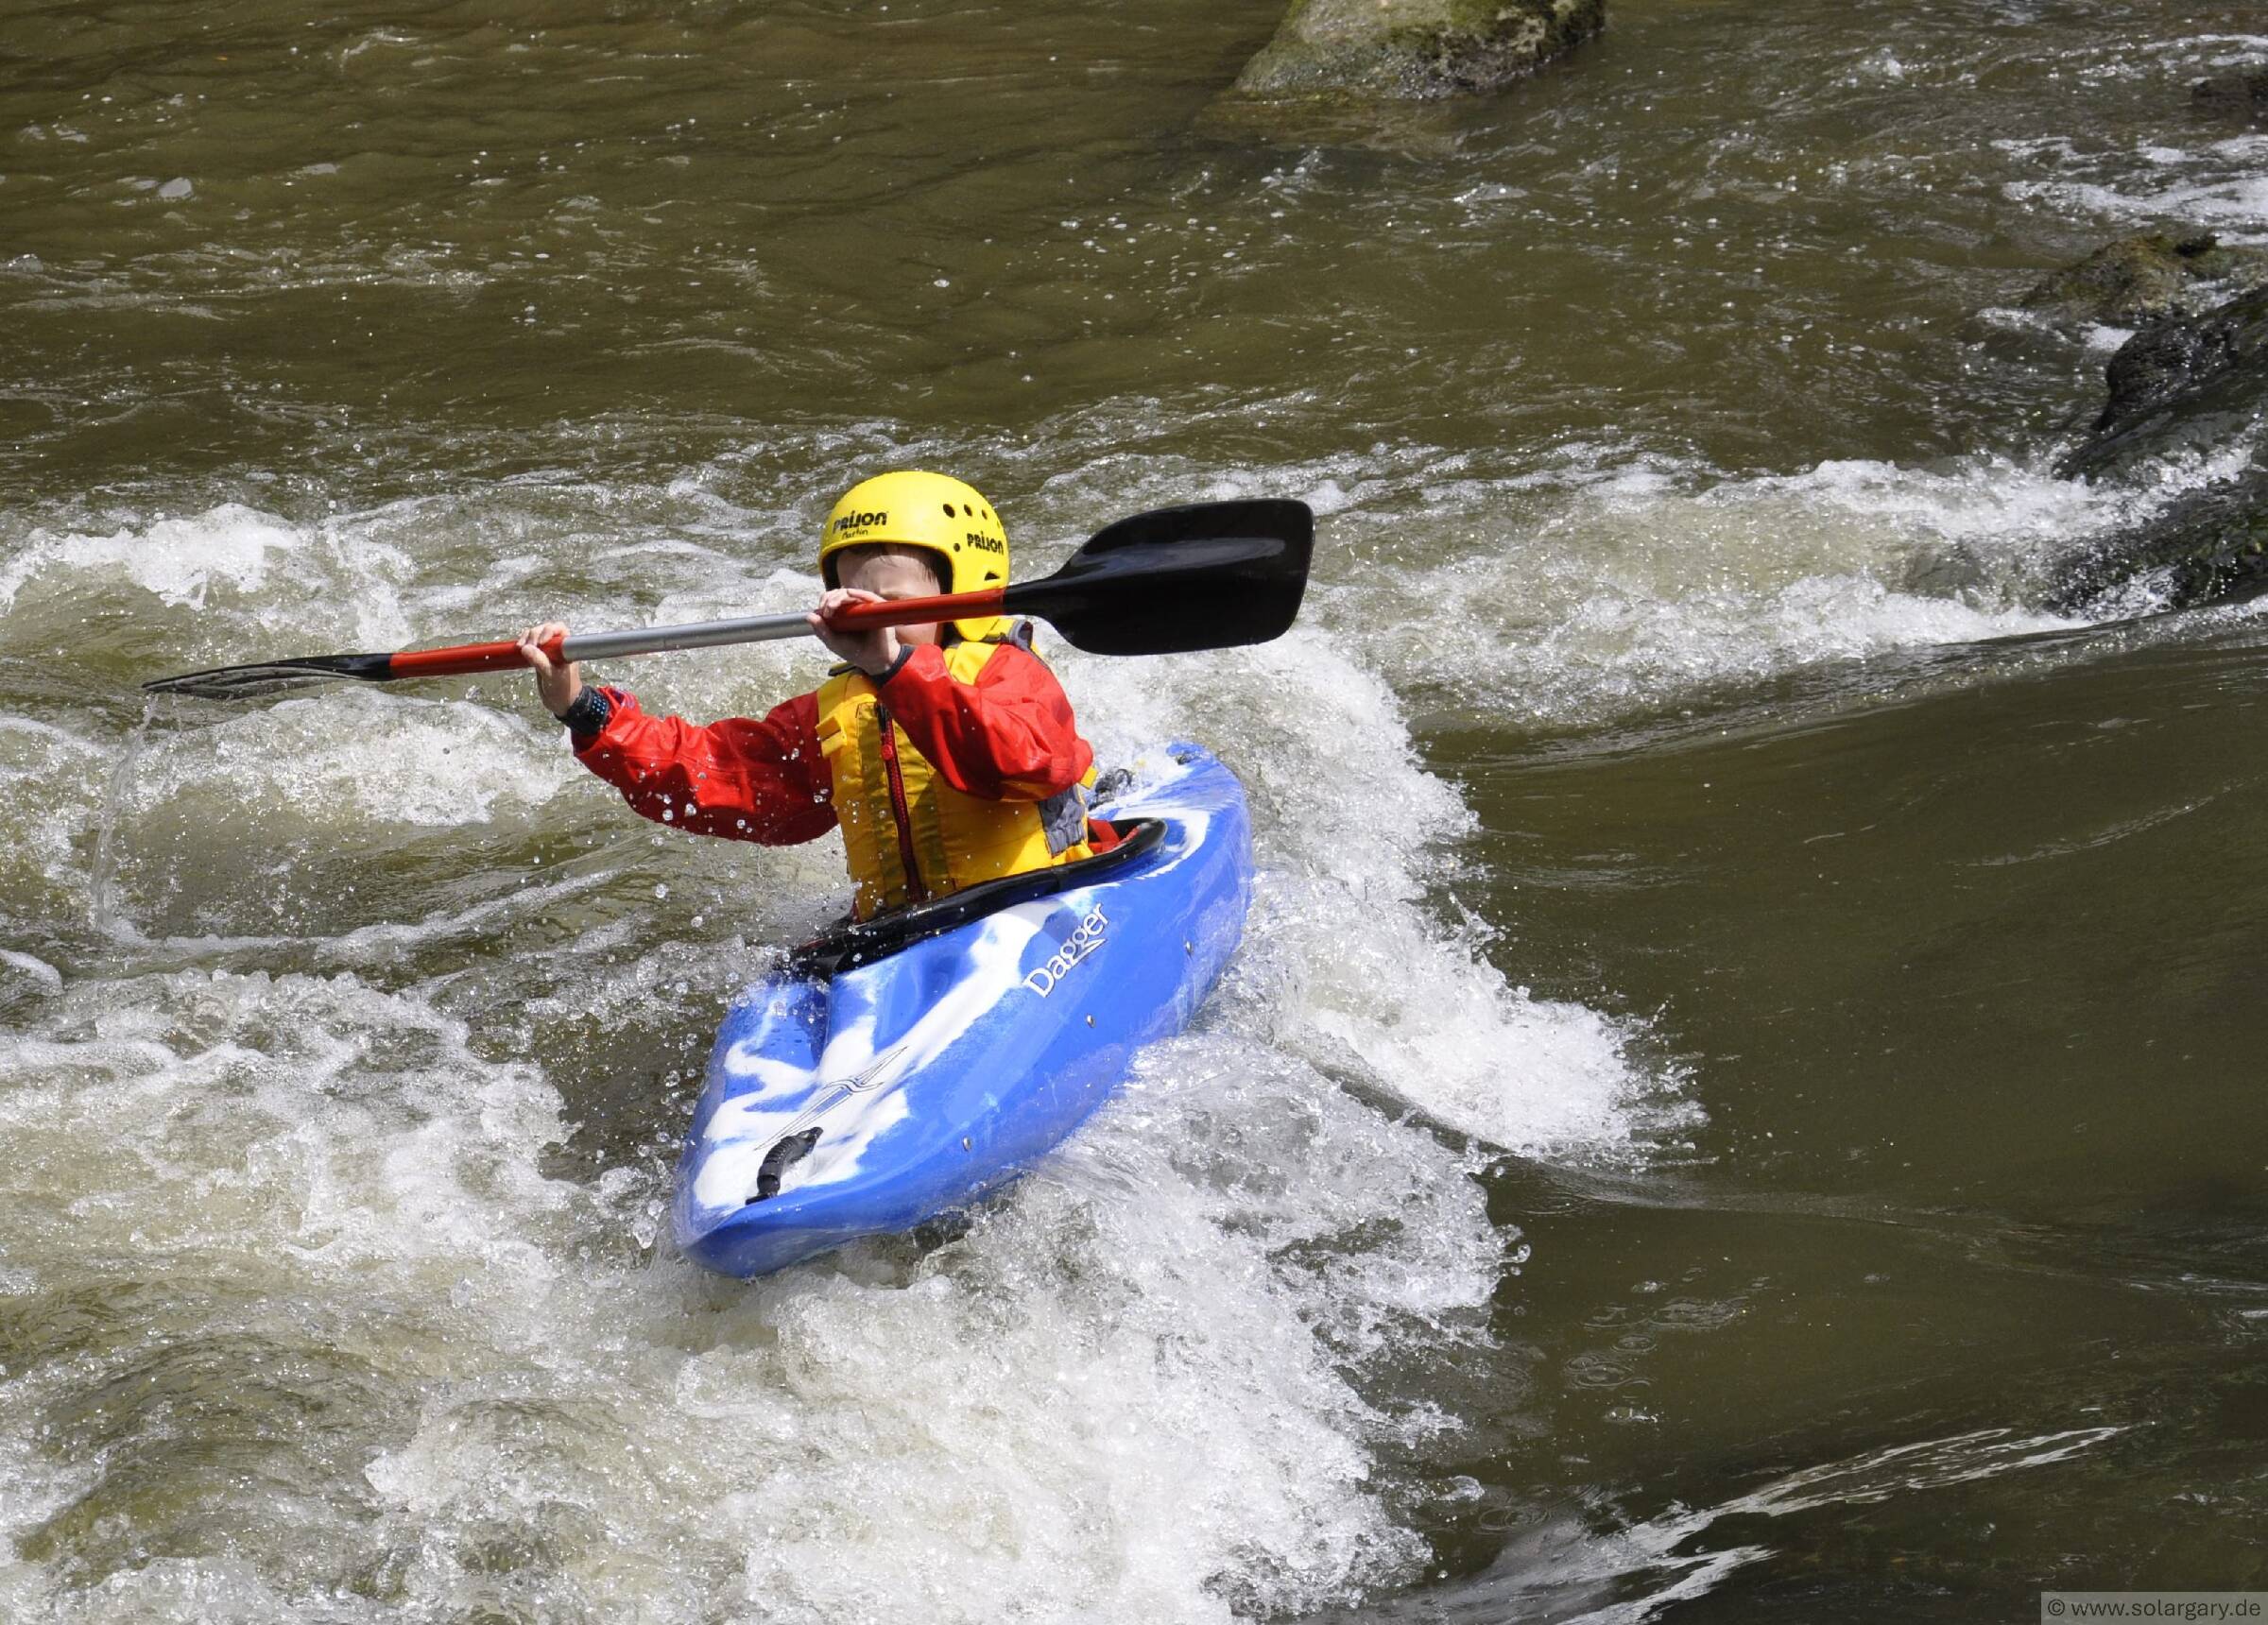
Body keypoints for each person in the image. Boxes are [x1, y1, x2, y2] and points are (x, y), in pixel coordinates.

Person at [519, 470, 1114, 922]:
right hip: (901, 932)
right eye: (850, 597)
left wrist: (896, 669)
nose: (863, 615)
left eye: (891, 601)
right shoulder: (831, 712)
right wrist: (583, 709)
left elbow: (1017, 764)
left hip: (1031, 910)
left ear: (969, 591)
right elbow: (719, 779)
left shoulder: (1009, 675)